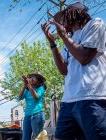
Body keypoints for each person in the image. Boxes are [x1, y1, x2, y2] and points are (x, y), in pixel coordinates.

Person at [41, 1, 106, 139]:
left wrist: (64, 36)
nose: (62, 22)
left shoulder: (95, 24)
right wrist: (53, 43)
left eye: (64, 17)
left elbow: (85, 57)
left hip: (92, 98)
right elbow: (63, 69)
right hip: (68, 101)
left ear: (75, 14)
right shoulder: (69, 39)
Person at [18, 73, 46, 140]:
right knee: (25, 138)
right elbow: (19, 98)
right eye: (30, 77)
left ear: (38, 80)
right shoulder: (27, 90)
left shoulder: (41, 88)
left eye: (34, 77)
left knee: (38, 137)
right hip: (27, 115)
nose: (31, 79)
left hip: (37, 115)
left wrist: (28, 85)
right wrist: (25, 86)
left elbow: (36, 97)